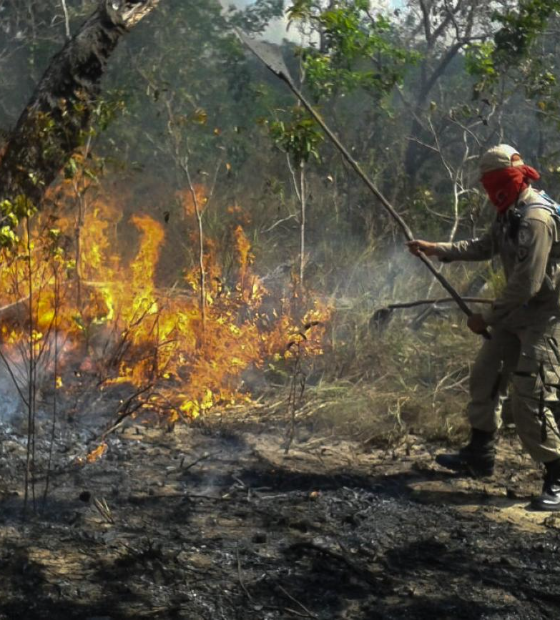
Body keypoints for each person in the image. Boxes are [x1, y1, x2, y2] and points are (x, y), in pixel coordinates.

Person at [407, 144, 560, 511]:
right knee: (485, 375)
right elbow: (484, 246)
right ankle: (480, 454)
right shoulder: (510, 211)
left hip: (546, 317)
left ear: (510, 180)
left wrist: (486, 317)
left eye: (494, 183)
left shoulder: (536, 219)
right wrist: (437, 248)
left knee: (532, 394)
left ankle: (556, 477)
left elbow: (528, 284)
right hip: (516, 312)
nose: (491, 191)